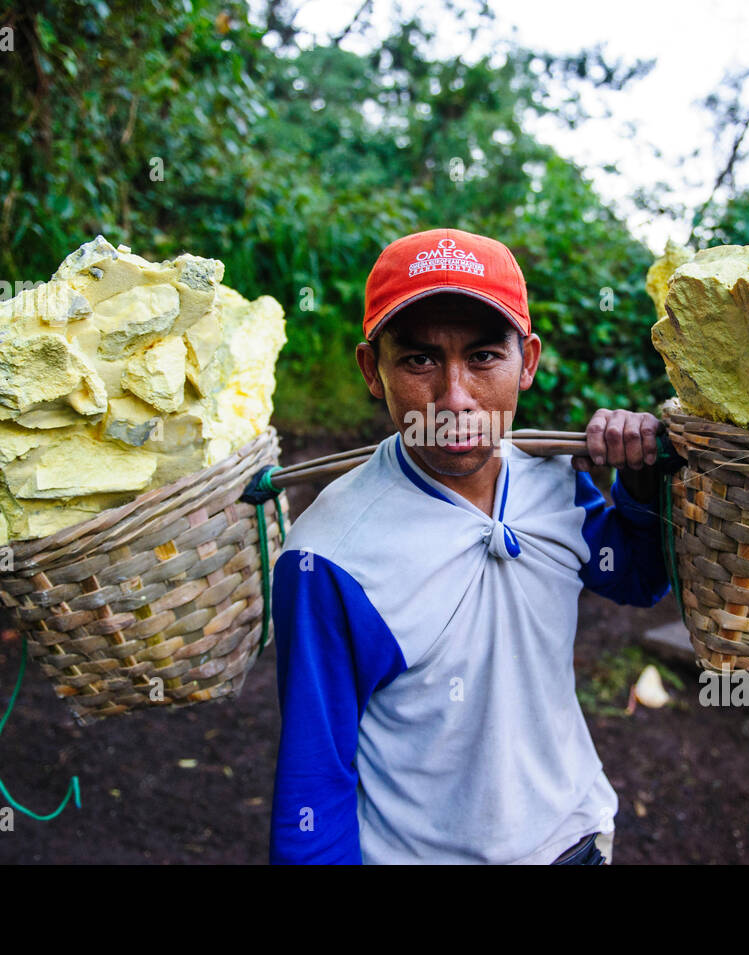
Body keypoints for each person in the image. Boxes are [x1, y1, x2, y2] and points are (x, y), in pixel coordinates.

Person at [267, 227, 671, 864]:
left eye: (484, 356)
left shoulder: (552, 479)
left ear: (528, 362)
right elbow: (315, 777)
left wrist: (642, 483)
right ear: (373, 370)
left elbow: (638, 580)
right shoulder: (328, 556)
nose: (454, 398)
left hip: (576, 839)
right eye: (419, 360)